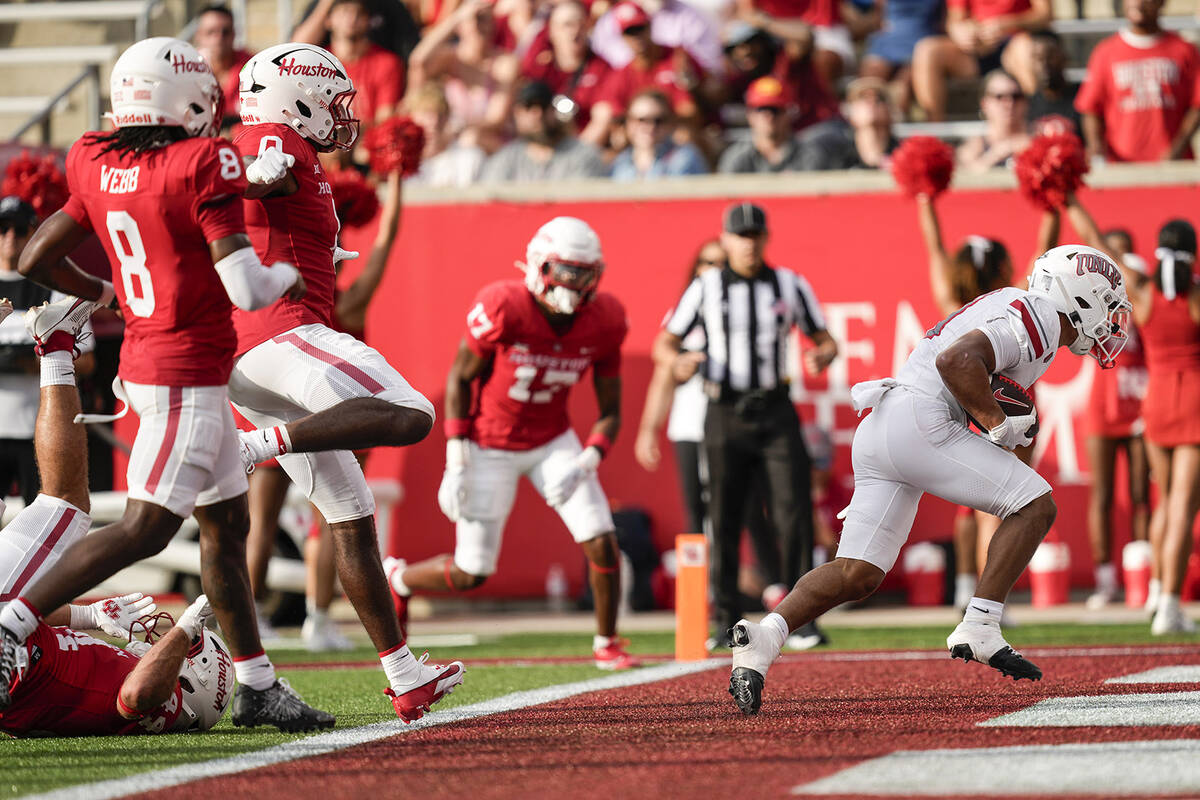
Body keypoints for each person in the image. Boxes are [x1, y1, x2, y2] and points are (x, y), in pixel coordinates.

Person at [0, 38, 333, 731]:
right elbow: (246, 284)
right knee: (145, 527)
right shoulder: (202, 160)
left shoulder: (93, 156)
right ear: (185, 98)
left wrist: (102, 290)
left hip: (162, 365)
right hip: (184, 369)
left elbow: (36, 253)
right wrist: (289, 277)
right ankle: (9, 627)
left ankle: (258, 683)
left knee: (227, 526)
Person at [727, 244, 1133, 715]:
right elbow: (957, 361)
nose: (1110, 319)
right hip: (922, 418)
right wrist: (999, 425)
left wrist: (1010, 430)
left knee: (857, 573)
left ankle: (763, 638)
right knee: (1037, 505)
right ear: (1078, 295)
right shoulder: (1039, 316)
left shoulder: (1027, 316)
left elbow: (989, 389)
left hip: (884, 425)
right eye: (1106, 303)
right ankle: (980, 623)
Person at [230, 42, 466, 720]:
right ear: (294, 96)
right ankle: (259, 447)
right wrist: (251, 174)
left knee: (350, 514)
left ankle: (403, 673)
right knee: (410, 409)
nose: (341, 117)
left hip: (262, 355)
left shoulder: (289, 148)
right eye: (333, 102)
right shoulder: (271, 137)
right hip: (282, 335)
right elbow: (227, 180)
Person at [384, 217, 638, 670]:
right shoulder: (504, 306)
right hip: (490, 443)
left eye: (585, 273)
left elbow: (612, 410)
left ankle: (607, 642)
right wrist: (457, 457)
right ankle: (400, 579)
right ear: (540, 265)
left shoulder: (604, 321)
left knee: (601, 539)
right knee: (471, 573)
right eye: (567, 272)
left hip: (552, 440)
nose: (577, 284)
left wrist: (589, 459)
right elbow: (460, 379)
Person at [656, 202, 839, 648]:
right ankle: (725, 617)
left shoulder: (789, 284)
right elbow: (665, 341)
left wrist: (825, 353)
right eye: (740, 235)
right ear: (725, 238)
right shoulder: (706, 286)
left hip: (775, 409)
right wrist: (676, 363)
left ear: (766, 238)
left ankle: (801, 617)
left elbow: (824, 337)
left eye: (755, 235)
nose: (748, 244)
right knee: (723, 513)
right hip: (724, 411)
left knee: (793, 510)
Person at [1062, 204, 1200, 632]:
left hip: (1155, 404)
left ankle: (1159, 593)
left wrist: (1070, 201)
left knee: (1163, 506)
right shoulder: (1196, 295)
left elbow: (1100, 249)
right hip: (1195, 403)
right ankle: (1171, 605)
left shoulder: (1141, 290)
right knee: (1182, 507)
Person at [635, 240, 784, 621]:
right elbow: (663, 373)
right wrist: (648, 428)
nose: (715, 268)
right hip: (690, 423)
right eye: (708, 262)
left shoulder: (746, 307)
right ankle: (702, 600)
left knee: (749, 507)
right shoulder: (682, 313)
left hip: (733, 422)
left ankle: (776, 588)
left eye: (721, 262)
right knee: (696, 515)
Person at [0, 197, 94, 507]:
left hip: (39, 432)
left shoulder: (54, 285)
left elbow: (88, 360)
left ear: (34, 233)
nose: (10, 237)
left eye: (19, 229)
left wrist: (33, 361)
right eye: (2, 229)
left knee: (39, 525)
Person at [1081, 229, 1150, 609]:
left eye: (1121, 251)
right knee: (1103, 494)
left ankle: (1145, 575)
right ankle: (1105, 581)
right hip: (1104, 399)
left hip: (1139, 395)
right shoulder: (1091, 291)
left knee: (1141, 492)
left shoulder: (1141, 281)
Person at [1075, 0, 1200, 163]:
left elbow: (1197, 105)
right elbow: (1091, 108)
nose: (1138, 3)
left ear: (1161, 3)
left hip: (1173, 165)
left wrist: (1178, 148)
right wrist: (1096, 148)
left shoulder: (1184, 50)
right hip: (1121, 166)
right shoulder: (1105, 52)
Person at [405, 0, 519, 153]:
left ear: (493, 25)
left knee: (470, 139)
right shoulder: (451, 59)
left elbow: (496, 120)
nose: (477, 25)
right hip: (453, 145)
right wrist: (456, 18)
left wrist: (458, 129)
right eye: (471, 19)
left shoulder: (505, 63)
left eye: (483, 19)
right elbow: (418, 62)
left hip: (490, 145)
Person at [910, 0, 1050, 121]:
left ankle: (1036, 123)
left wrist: (1006, 25)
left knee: (1024, 49)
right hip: (977, 48)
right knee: (926, 50)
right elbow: (955, 20)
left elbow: (1044, 14)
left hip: (1015, 42)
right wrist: (962, 33)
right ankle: (934, 133)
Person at [590, 3, 704, 132]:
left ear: (650, 27)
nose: (637, 37)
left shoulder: (676, 58)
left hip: (675, 133)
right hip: (643, 136)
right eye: (630, 32)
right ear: (623, 37)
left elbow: (689, 110)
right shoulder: (622, 74)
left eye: (640, 28)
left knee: (684, 133)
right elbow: (614, 113)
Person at [519, 0, 614, 147]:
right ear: (552, 31)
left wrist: (574, 155)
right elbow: (524, 114)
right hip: (540, 147)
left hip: (581, 148)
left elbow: (602, 121)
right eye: (567, 25)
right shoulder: (540, 66)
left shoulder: (601, 68)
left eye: (580, 24)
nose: (574, 31)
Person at [480, 80, 610, 182]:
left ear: (553, 110)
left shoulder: (583, 155)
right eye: (529, 107)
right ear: (517, 113)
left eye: (543, 106)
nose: (537, 114)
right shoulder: (505, 159)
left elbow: (583, 204)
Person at [323, 0, 408, 133]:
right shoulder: (319, 64)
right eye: (344, 12)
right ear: (328, 20)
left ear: (368, 21)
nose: (352, 19)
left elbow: (385, 119)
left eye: (359, 13)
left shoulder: (386, 62)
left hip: (365, 143)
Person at [860, 0, 944, 114]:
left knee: (902, 89)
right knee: (869, 84)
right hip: (887, 42)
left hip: (921, 43)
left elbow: (945, 21)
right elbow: (878, 16)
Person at [797, 76, 899, 170]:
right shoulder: (834, 152)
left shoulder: (902, 153)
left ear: (891, 110)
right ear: (851, 111)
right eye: (862, 97)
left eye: (879, 98)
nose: (871, 102)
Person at [611, 89, 708, 179]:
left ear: (670, 123)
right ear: (628, 122)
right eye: (641, 120)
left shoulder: (685, 157)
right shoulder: (620, 162)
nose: (649, 127)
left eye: (658, 121)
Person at [718, 77, 807, 173]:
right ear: (749, 114)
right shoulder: (737, 157)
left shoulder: (808, 155)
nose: (769, 116)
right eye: (761, 109)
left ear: (788, 113)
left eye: (775, 110)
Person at [407, 82, 486, 188]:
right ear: (412, 118)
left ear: (447, 118)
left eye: (439, 114)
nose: (433, 122)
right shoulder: (402, 167)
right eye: (425, 114)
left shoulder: (470, 159)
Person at [957, 70, 1032, 172]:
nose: (1009, 103)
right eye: (999, 97)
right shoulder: (972, 149)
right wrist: (997, 154)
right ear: (985, 104)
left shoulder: (1039, 137)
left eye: (1016, 96)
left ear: (1025, 102)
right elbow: (968, 178)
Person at [191, 4, 252, 130]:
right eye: (211, 32)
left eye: (226, 31)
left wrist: (233, 133)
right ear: (199, 35)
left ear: (234, 34)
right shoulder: (187, 69)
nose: (219, 38)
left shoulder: (253, 66)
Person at [1026, 30, 1081, 134]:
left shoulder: (1083, 98)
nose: (1044, 65)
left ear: (1064, 58)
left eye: (1050, 57)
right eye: (1038, 58)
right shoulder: (1026, 106)